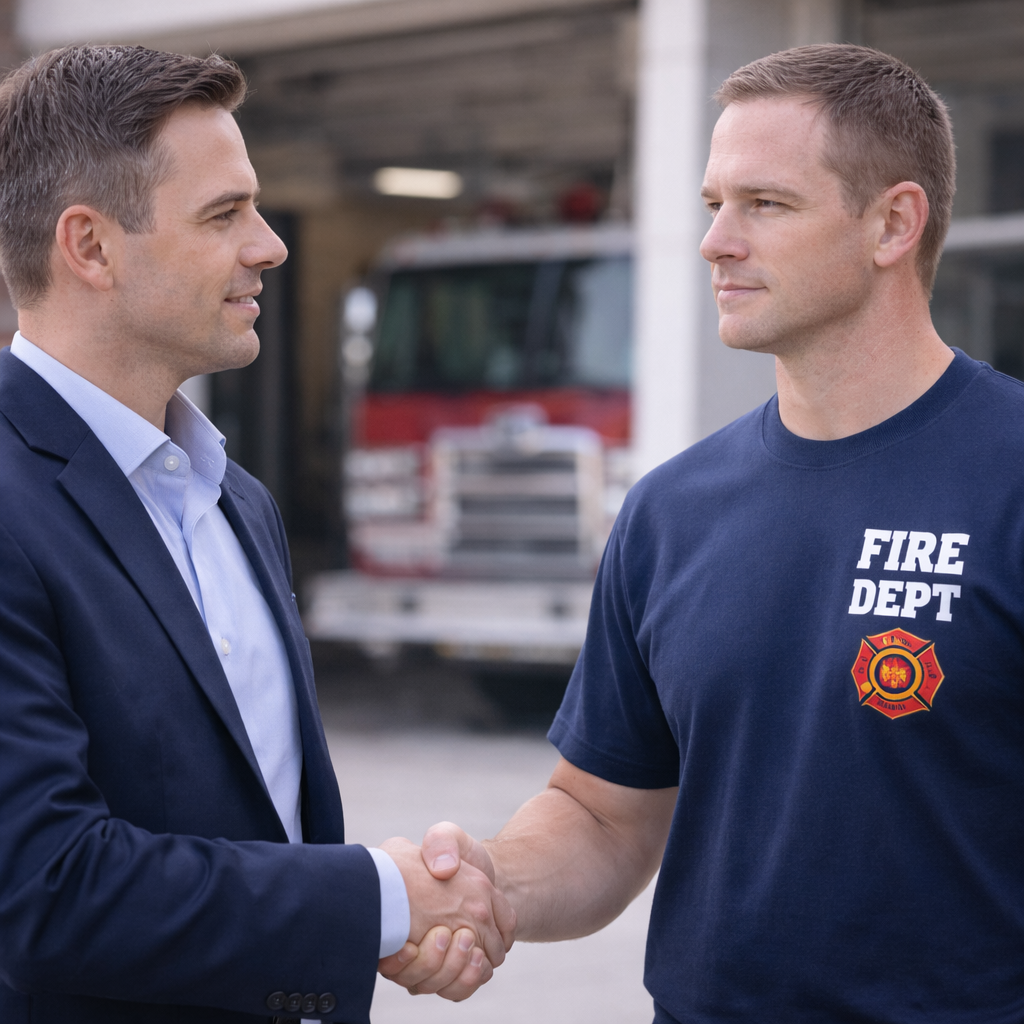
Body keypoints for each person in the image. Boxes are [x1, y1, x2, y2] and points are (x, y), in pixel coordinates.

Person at [382, 44, 1024, 1021]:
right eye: (712, 203)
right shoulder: (670, 511)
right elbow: (603, 812)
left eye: (764, 204)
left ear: (893, 221)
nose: (715, 241)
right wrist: (486, 885)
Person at [0, 45, 513, 1024]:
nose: (271, 245)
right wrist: (383, 898)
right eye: (224, 213)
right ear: (91, 247)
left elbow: (265, 829)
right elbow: (44, 887)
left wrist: (366, 916)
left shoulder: (241, 502)